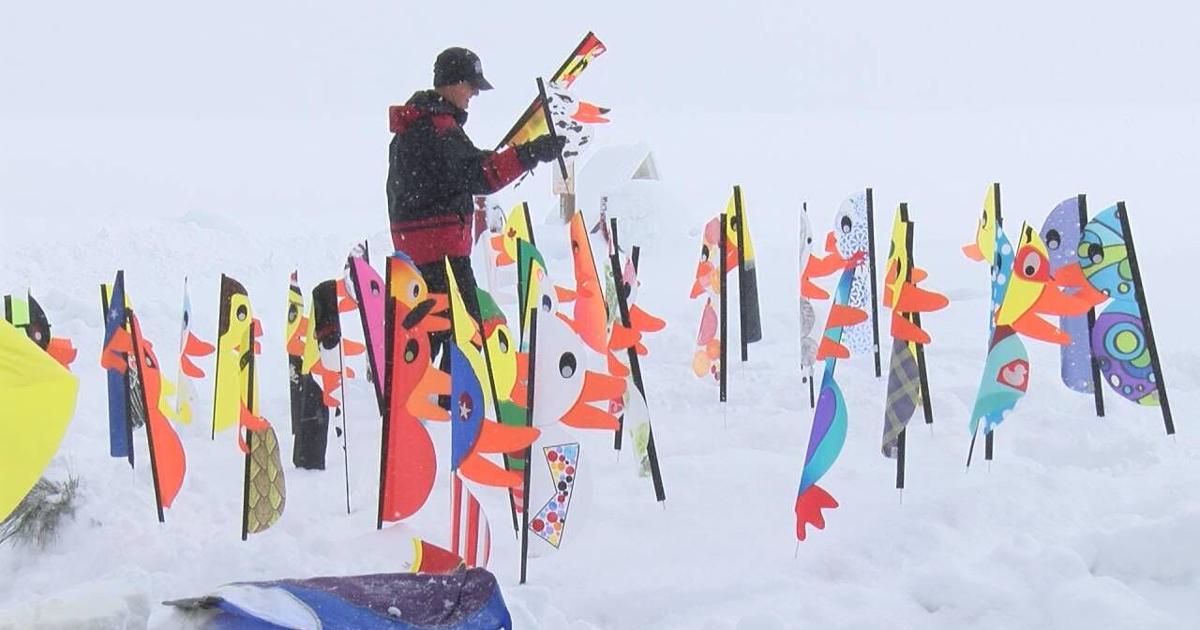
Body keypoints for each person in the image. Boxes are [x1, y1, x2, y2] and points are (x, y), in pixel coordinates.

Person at [387, 47, 564, 330]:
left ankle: (433, 374)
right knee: (469, 334)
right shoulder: (438, 128)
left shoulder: (416, 126)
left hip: (417, 251)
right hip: (441, 255)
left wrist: (519, 154)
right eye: (471, 86)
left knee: (433, 334)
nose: (474, 94)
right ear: (453, 83)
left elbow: (465, 167)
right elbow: (480, 175)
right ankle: (452, 376)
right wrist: (531, 153)